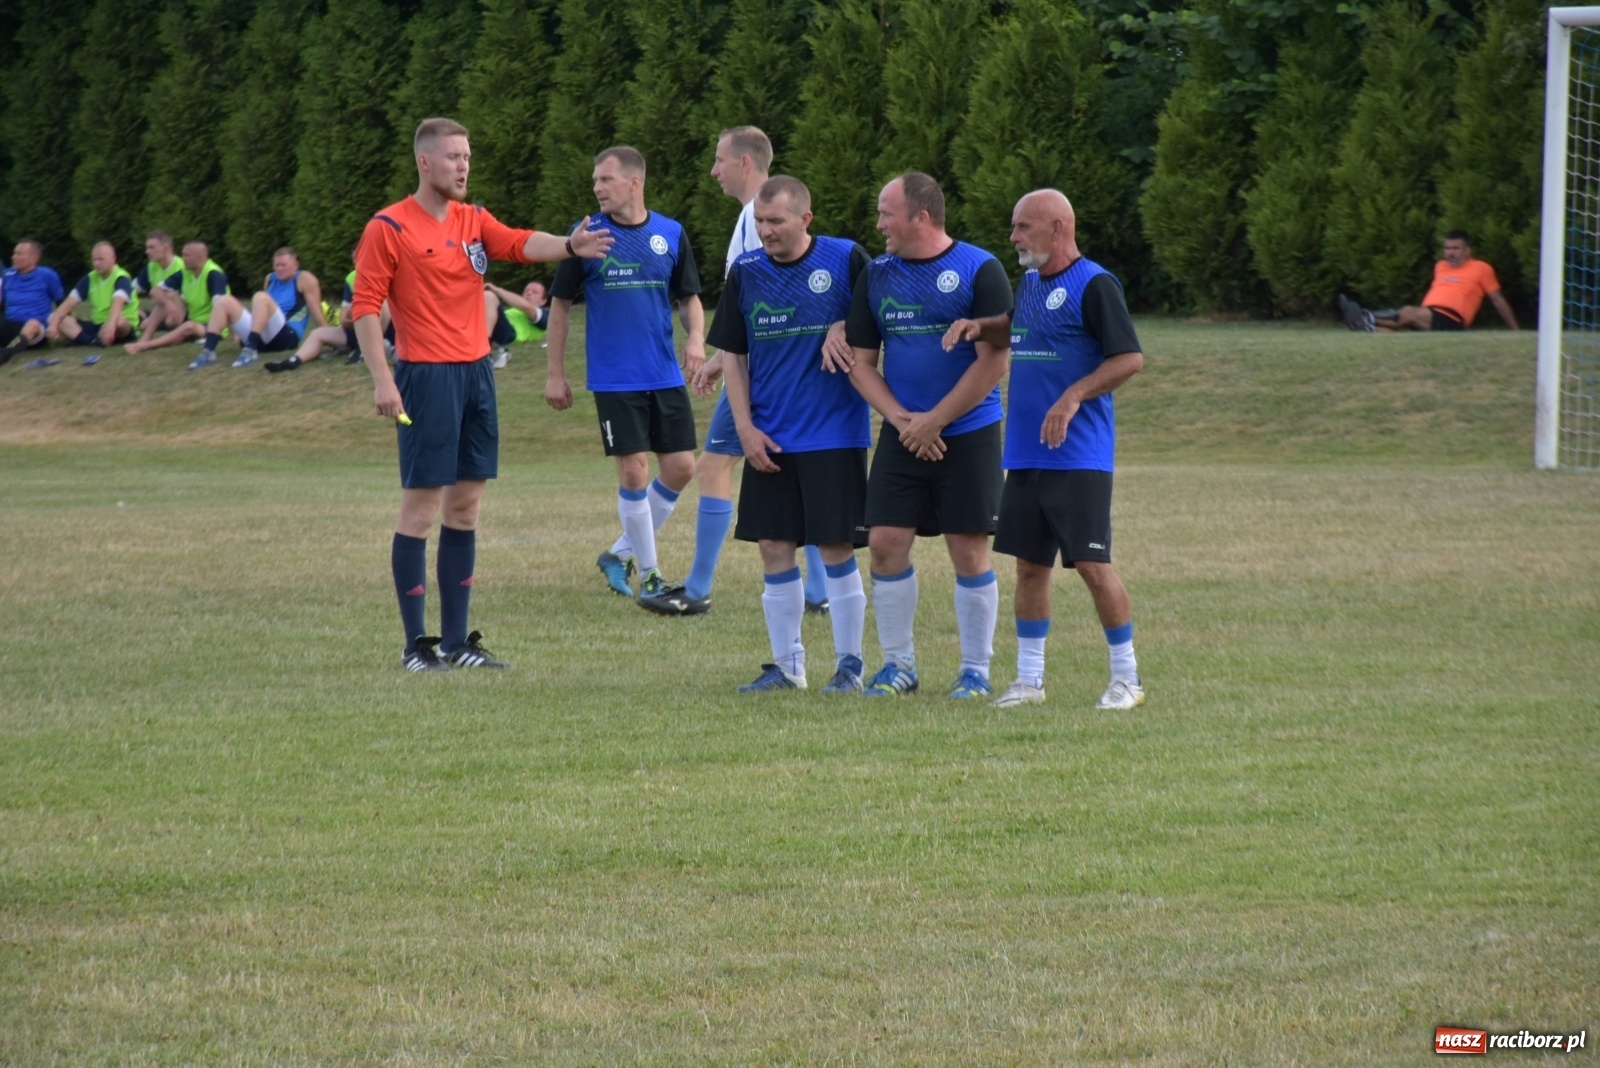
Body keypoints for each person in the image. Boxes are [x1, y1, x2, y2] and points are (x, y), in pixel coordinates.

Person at [352, 116, 611, 672]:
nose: (464, 165)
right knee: (421, 509)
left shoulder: (473, 219)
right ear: (425, 162)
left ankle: (456, 643)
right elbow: (365, 308)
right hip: (426, 377)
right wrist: (382, 378)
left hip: (476, 375)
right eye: (453, 157)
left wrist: (570, 245)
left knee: (465, 507)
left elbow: (519, 244)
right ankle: (416, 646)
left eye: (467, 156)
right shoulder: (388, 227)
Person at [944, 190, 1146, 711]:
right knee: (1030, 567)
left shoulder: (1095, 284)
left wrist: (1074, 395)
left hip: (1079, 456)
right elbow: (1019, 328)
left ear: (1058, 228)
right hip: (1027, 455)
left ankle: (1127, 679)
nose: (1013, 237)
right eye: (1014, 227)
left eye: (1023, 227)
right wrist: (980, 326)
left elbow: (1129, 358)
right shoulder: (1030, 283)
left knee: (1092, 566)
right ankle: (1029, 681)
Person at [834, 173, 1013, 699]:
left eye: (887, 213)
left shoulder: (980, 269)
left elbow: (994, 360)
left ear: (921, 217)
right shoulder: (877, 275)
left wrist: (937, 419)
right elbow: (862, 364)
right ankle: (899, 666)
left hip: (969, 431)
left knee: (968, 548)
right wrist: (903, 420)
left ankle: (975, 670)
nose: (878, 224)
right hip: (903, 432)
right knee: (886, 545)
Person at [703, 176, 873, 691]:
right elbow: (733, 355)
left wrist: (843, 323)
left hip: (833, 434)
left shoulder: (846, 259)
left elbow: (878, 322)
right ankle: (788, 666)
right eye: (759, 221)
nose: (765, 231)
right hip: (770, 435)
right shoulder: (747, 273)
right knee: (774, 546)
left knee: (836, 547)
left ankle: (850, 665)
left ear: (805, 219)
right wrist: (746, 429)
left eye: (775, 221)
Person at [672, 126, 834, 616]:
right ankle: (820, 592)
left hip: (762, 373)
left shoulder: (751, 218)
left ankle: (698, 589)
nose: (713, 171)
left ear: (745, 163)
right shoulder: (755, 217)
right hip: (766, 367)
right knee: (785, 465)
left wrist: (724, 360)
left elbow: (764, 304)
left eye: (719, 160)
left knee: (716, 465)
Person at [546, 145, 705, 611]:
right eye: (595, 180)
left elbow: (690, 298)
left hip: (663, 372)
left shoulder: (670, 234)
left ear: (634, 182)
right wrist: (555, 373)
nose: (597, 188)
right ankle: (652, 577)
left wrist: (696, 338)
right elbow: (559, 307)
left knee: (681, 468)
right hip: (615, 377)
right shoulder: (585, 236)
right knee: (635, 469)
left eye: (606, 180)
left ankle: (618, 554)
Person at [1339, 231, 1519, 333]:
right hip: (1429, 314)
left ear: (1467, 251)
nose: (1450, 253)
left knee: (1408, 311)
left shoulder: (1481, 268)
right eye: (1447, 248)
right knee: (1397, 332)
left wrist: (1515, 330)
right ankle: (1367, 327)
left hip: (1452, 318)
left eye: (1456, 248)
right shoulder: (1440, 266)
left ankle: (1366, 316)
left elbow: (1497, 300)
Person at [190, 247, 326, 369]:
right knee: (223, 300)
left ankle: (250, 350)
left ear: (296, 265)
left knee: (260, 297)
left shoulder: (305, 278)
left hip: (287, 335)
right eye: (276, 265)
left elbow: (315, 311)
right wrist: (238, 330)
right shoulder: (270, 278)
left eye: (283, 265)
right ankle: (209, 351)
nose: (279, 269)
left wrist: (327, 337)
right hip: (263, 336)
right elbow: (263, 311)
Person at [265, 255, 392, 373]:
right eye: (355, 259)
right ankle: (294, 360)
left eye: (361, 258)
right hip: (361, 331)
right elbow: (344, 321)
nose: (357, 264)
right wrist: (353, 315)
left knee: (378, 304)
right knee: (317, 333)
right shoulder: (352, 278)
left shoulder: (383, 275)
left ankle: (365, 349)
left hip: (388, 332)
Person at [123, 240, 229, 356]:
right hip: (192, 320)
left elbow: (221, 309)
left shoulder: (213, 274)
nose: (182, 258)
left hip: (212, 327)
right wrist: (169, 305)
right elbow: (155, 290)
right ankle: (145, 339)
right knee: (163, 303)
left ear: (200, 257)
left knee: (189, 327)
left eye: (186, 255)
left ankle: (144, 346)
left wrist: (211, 334)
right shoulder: (185, 272)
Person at [45, 241, 139, 347]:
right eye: (94, 260)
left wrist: (110, 326)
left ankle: (102, 337)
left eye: (101, 259)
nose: (96, 263)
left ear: (113, 258)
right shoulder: (90, 278)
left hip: (118, 325)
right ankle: (92, 341)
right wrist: (53, 325)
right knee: (54, 317)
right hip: (98, 324)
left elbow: (117, 304)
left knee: (120, 322)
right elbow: (69, 303)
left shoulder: (121, 277)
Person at [0, 238, 65, 367]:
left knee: (33, 323)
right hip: (11, 325)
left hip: (36, 330)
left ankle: (5, 355)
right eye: (14, 253)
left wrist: (56, 326)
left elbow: (61, 303)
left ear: (33, 258)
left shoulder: (47, 275)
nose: (14, 257)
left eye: (19, 254)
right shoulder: (7, 275)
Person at [484, 279, 548, 369]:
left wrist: (497, 290)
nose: (529, 293)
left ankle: (485, 351)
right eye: (526, 291)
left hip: (508, 333)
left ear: (543, 301)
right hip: (494, 327)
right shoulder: (512, 311)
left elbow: (526, 307)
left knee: (489, 296)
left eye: (535, 292)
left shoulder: (545, 315)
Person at [130, 231, 185, 333]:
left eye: (152, 248)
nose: (147, 252)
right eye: (147, 248)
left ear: (166, 248)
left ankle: (153, 324)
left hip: (178, 314)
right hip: (159, 312)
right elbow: (130, 291)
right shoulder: (151, 267)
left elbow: (185, 302)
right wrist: (135, 309)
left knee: (172, 295)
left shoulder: (182, 267)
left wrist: (151, 320)